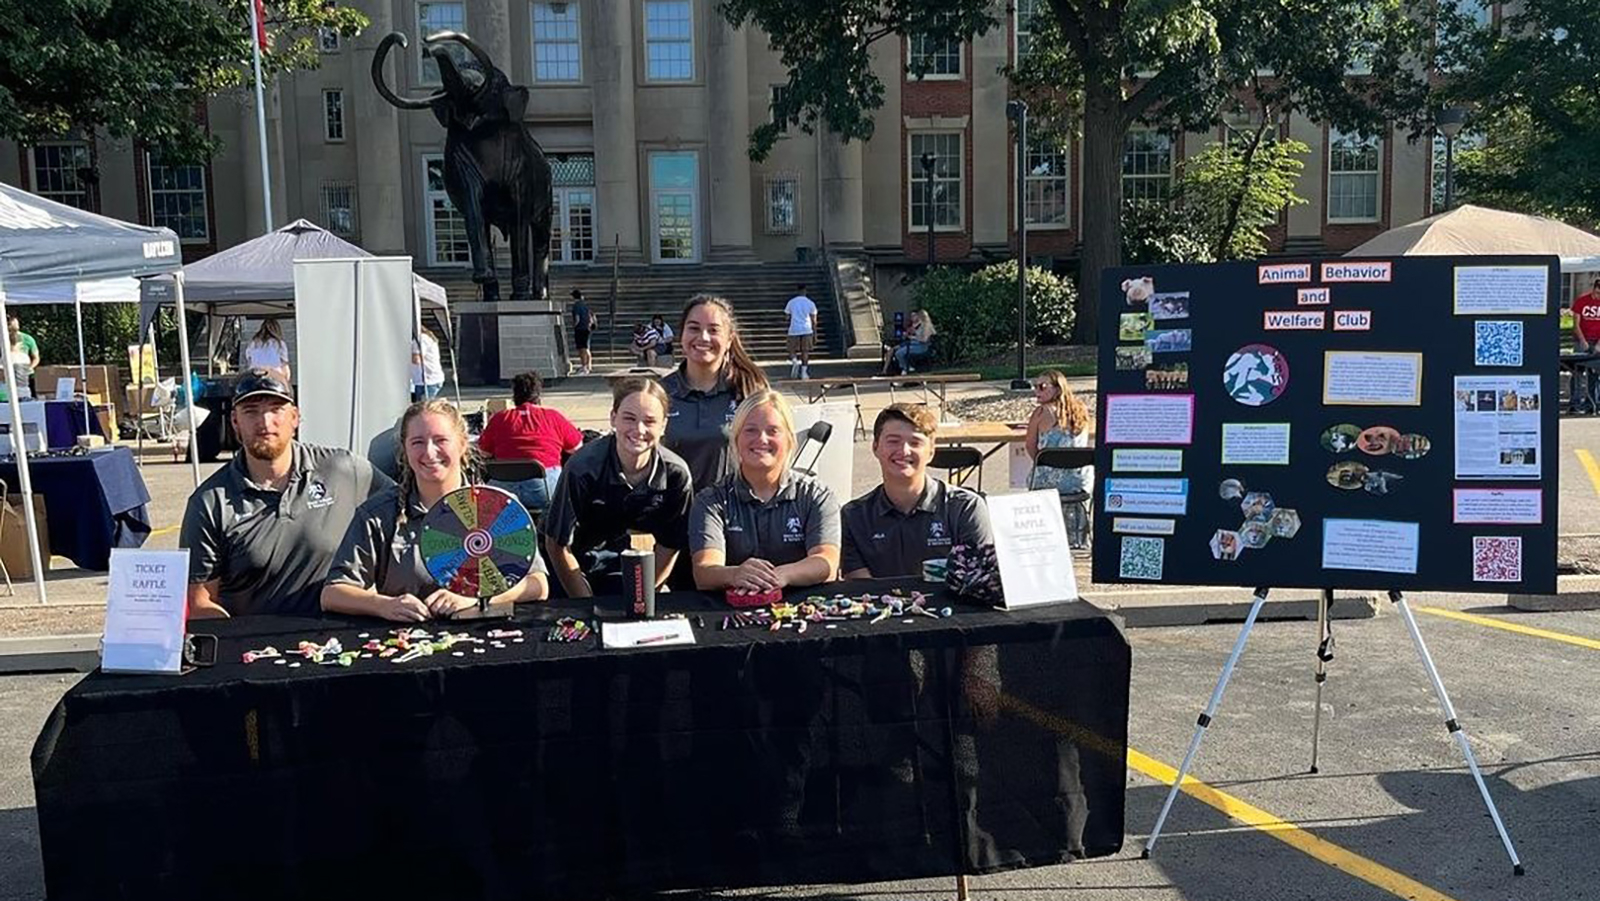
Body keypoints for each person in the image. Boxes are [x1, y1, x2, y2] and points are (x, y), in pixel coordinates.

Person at [180, 370, 392, 618]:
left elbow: (409, 505)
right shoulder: (209, 503)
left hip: (341, 640)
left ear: (295, 417)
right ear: (235, 422)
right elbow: (200, 602)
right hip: (257, 647)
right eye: (251, 411)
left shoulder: (344, 470)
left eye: (276, 409)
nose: (265, 422)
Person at [323, 399, 548, 620]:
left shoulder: (499, 507)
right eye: (417, 442)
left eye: (440, 440)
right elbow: (332, 593)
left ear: (462, 444)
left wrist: (479, 598)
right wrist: (383, 605)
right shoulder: (377, 515)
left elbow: (537, 584)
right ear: (404, 449)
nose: (429, 453)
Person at [541, 378, 694, 597]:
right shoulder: (582, 468)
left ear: (663, 426)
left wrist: (645, 595)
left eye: (650, 421)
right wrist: (584, 602)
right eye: (629, 418)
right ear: (613, 419)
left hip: (613, 554)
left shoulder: (676, 474)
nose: (638, 429)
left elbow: (670, 544)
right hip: (563, 559)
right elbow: (556, 543)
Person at [689, 389, 839, 592]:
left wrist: (780, 575)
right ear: (736, 439)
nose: (762, 439)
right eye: (750, 430)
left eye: (773, 430)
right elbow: (704, 572)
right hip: (733, 612)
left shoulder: (816, 496)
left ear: (789, 441)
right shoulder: (711, 500)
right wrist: (735, 574)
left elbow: (826, 563)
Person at [841, 404, 992, 578]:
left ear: (931, 452)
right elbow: (861, 589)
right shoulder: (853, 516)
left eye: (915, 443)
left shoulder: (965, 509)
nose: (904, 451)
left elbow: (976, 578)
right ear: (875, 447)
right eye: (893, 441)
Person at [659, 294, 769, 491]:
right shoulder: (660, 393)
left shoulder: (749, 389)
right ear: (681, 334)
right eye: (693, 328)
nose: (703, 337)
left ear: (729, 340)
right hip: (674, 513)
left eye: (713, 330)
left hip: (734, 513)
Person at [479, 370, 583, 512]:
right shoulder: (553, 416)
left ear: (514, 395)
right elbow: (577, 448)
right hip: (544, 489)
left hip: (503, 490)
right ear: (538, 395)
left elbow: (483, 453)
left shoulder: (499, 418)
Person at [1026, 369, 1093, 547]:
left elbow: (1030, 447)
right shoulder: (1081, 410)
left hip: (1049, 482)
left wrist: (1044, 464)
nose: (1036, 391)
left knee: (1034, 476)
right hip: (1078, 481)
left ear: (1057, 389)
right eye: (1035, 386)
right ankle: (1077, 538)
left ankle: (1042, 537)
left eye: (1042, 387)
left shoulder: (1040, 414)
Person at [1570, 277, 1600, 412]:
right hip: (1581, 340)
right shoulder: (1582, 301)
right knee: (1577, 372)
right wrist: (1583, 341)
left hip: (1597, 340)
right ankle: (1575, 403)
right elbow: (1576, 324)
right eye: (1598, 292)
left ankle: (1592, 402)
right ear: (1594, 288)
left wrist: (1599, 344)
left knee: (1594, 373)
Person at [784, 283, 818, 380]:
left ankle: (795, 361)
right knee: (805, 351)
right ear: (805, 291)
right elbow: (814, 321)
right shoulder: (810, 303)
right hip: (807, 329)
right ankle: (804, 373)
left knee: (791, 349)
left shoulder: (791, 302)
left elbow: (786, 317)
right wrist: (815, 334)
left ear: (797, 291)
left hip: (794, 328)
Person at [886, 309, 936, 375]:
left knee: (899, 353)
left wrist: (913, 338)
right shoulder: (921, 326)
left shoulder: (927, 327)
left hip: (922, 346)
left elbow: (924, 340)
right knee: (898, 350)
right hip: (915, 344)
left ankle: (906, 368)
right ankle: (905, 368)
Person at [243, 319, 291, 384]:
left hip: (255, 377)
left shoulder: (253, 343)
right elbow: (285, 366)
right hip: (274, 377)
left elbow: (249, 360)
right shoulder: (280, 344)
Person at [410, 326, 445, 401]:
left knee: (423, 405)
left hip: (428, 379)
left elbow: (416, 359)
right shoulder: (425, 338)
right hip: (422, 379)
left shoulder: (421, 339)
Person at [570, 288, 595, 375]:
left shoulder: (576, 306)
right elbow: (590, 316)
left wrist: (574, 325)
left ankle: (584, 366)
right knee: (586, 347)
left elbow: (577, 318)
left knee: (582, 349)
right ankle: (588, 366)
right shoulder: (585, 305)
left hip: (580, 328)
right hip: (587, 328)